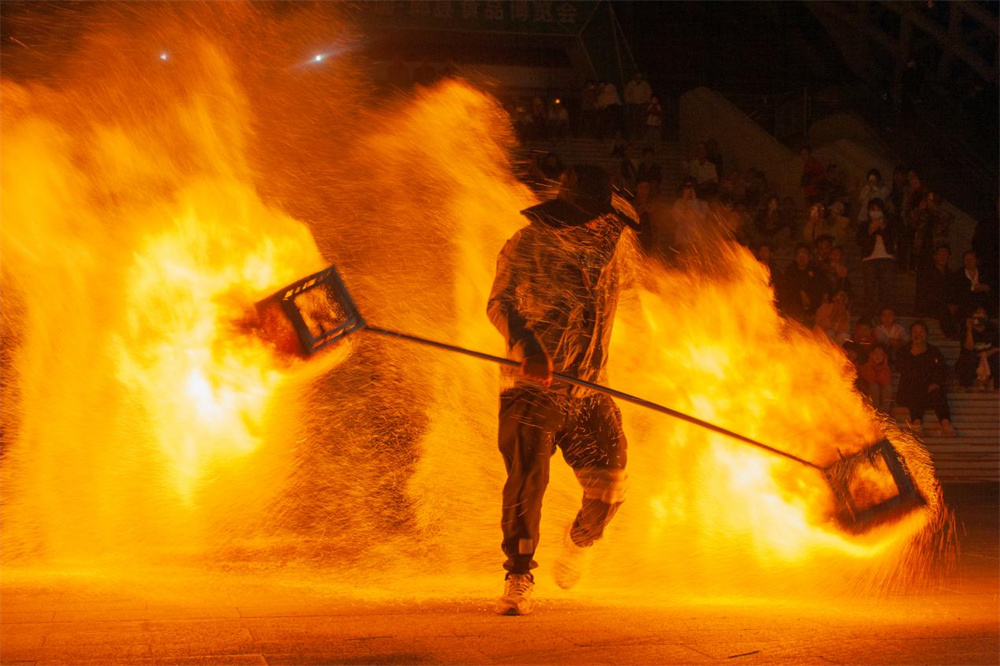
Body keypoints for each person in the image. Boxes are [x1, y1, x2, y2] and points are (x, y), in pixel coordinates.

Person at [488, 164, 636, 616]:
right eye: (588, 214)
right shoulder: (528, 243)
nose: (597, 223)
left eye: (600, 215)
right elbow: (499, 303)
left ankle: (580, 543)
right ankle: (518, 573)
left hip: (590, 388)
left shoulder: (613, 247)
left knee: (612, 481)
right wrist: (528, 345)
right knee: (528, 478)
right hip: (532, 386)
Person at [895, 321, 956, 437]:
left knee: (938, 392)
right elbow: (901, 368)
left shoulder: (934, 351)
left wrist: (936, 382)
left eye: (921, 331)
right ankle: (916, 424)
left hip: (929, 391)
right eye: (915, 332)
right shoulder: (904, 351)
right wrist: (914, 353)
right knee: (915, 389)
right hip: (910, 391)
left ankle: (946, 424)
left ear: (926, 334)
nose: (918, 334)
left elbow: (942, 369)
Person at [857, 198, 896, 321]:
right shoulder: (864, 225)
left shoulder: (889, 224)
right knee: (869, 289)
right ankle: (868, 316)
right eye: (873, 209)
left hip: (886, 258)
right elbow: (859, 241)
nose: (875, 212)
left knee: (886, 289)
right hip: (869, 259)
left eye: (878, 209)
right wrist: (870, 229)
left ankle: (886, 316)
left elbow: (893, 240)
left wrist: (883, 229)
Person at [914, 244, 961, 338]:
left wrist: (953, 303)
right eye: (940, 254)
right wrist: (946, 304)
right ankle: (952, 335)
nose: (943, 257)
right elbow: (925, 293)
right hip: (929, 305)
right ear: (934, 256)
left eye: (945, 254)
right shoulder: (927, 273)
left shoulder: (950, 274)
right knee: (943, 310)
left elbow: (953, 292)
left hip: (945, 304)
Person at [777, 243, 829, 324]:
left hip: (813, 310)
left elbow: (824, 287)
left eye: (804, 254)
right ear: (795, 257)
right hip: (794, 311)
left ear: (809, 257)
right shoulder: (790, 271)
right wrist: (801, 293)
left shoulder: (816, 271)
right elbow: (786, 290)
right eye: (799, 254)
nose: (802, 257)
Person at [956, 306, 999, 390]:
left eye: (982, 313)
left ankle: (997, 386)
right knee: (968, 358)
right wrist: (969, 329)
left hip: (988, 359)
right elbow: (968, 348)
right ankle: (966, 385)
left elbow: (998, 347)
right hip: (972, 360)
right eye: (977, 313)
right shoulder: (966, 329)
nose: (980, 316)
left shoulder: (992, 327)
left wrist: (985, 354)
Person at [858, 344, 893, 412]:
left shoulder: (885, 367)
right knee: (874, 387)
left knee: (887, 388)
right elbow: (871, 379)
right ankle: (874, 411)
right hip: (867, 392)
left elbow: (886, 381)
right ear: (871, 354)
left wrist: (884, 366)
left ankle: (884, 412)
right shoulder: (866, 366)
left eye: (881, 354)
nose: (878, 356)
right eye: (875, 353)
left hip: (880, 390)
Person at [624, 72, 652, 140]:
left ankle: (642, 135)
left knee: (642, 120)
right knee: (634, 120)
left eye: (639, 78)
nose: (638, 79)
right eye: (637, 78)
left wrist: (646, 100)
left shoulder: (645, 84)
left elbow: (649, 92)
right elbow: (626, 93)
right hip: (634, 104)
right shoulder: (631, 84)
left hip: (643, 104)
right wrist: (629, 101)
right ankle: (634, 135)